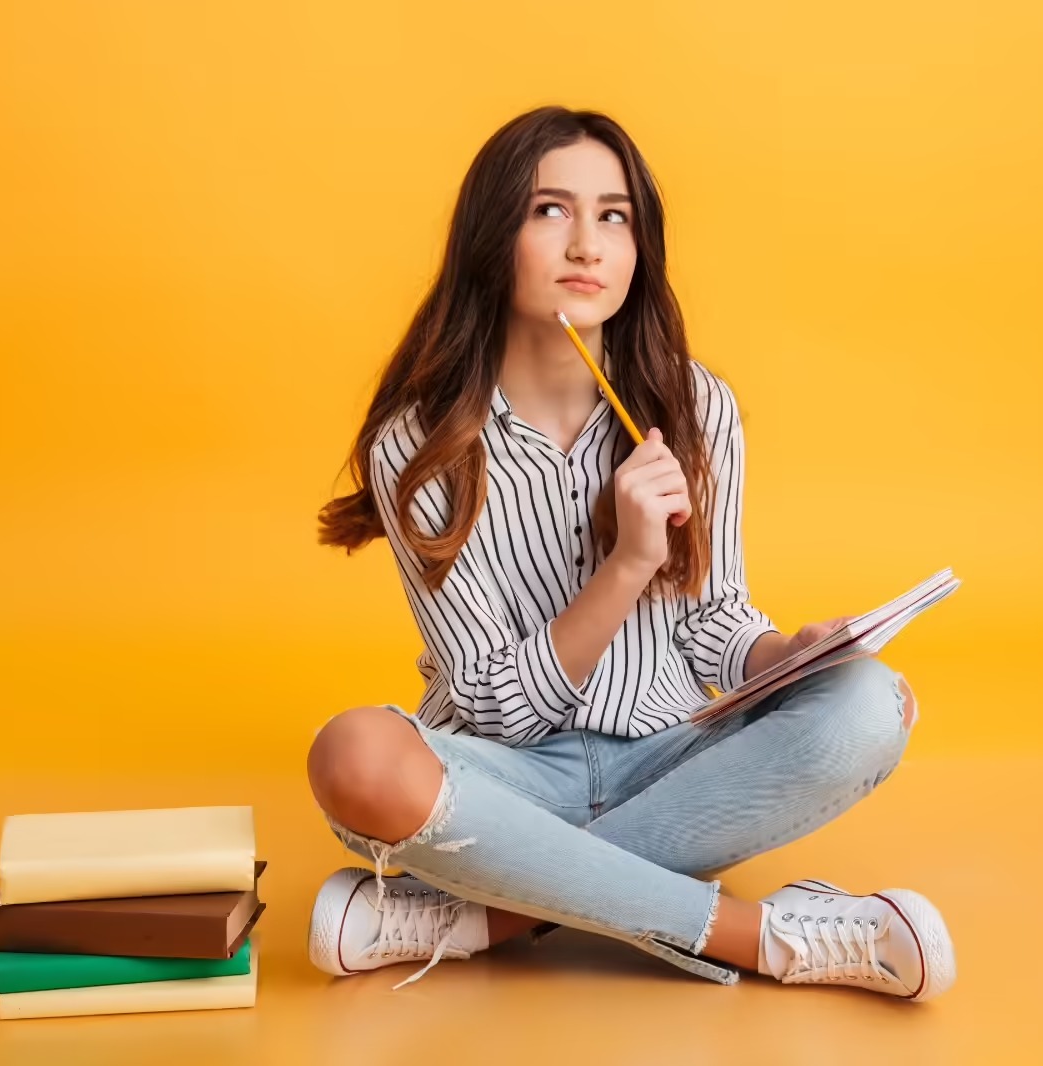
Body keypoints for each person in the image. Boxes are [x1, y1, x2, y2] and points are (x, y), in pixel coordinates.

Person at [306, 105, 955, 999]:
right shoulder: (418, 448)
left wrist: (787, 657)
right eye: (550, 211)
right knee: (355, 756)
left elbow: (715, 626)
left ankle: (492, 911)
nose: (587, 245)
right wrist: (624, 568)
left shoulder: (696, 409)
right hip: (506, 780)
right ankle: (759, 937)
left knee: (872, 704)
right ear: (493, 237)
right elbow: (498, 711)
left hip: (672, 757)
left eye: (613, 216)